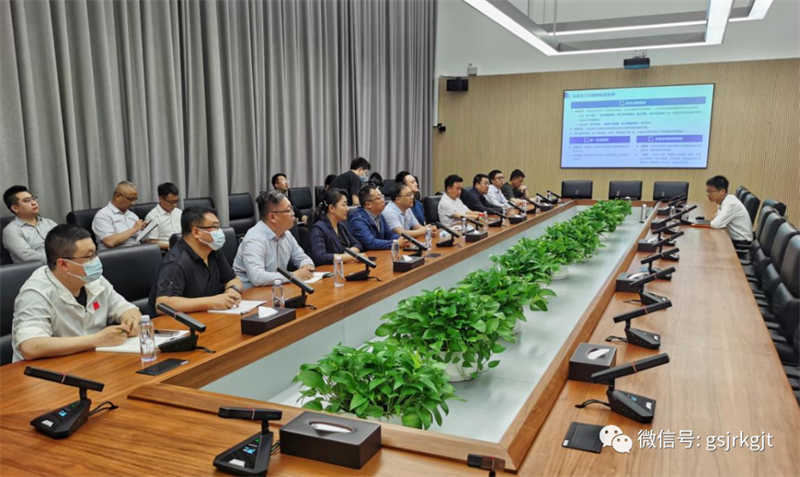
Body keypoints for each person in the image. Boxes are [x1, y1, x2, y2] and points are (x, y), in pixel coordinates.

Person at [11, 224, 141, 362]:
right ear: (63, 264)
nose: (96, 261)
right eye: (89, 256)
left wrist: (131, 321)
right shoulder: (35, 292)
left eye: (95, 253)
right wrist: (96, 340)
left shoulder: (93, 280)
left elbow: (126, 308)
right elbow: (30, 346)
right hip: (46, 369)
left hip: (90, 360)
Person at [148, 206, 243, 316]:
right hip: (174, 323)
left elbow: (233, 279)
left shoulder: (213, 250)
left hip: (208, 316)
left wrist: (232, 290)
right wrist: (211, 302)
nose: (220, 231)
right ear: (196, 232)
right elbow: (162, 304)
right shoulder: (175, 262)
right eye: (215, 227)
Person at [233, 191, 315, 289]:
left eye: (292, 209)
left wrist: (307, 265)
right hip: (251, 293)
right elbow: (257, 277)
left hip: (276, 289)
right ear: (272, 217)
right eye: (288, 210)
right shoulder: (254, 239)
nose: (293, 214)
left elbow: (302, 257)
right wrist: (293, 276)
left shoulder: (286, 234)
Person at [2, 185, 58, 264]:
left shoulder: (49, 222)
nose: (34, 203)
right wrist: (59, 260)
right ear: (15, 208)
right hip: (36, 269)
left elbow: (66, 242)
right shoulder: (11, 231)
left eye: (33, 199)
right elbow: (29, 257)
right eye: (27, 201)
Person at [309, 189, 363, 265]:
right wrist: (349, 257)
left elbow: (358, 245)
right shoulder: (318, 228)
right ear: (332, 208)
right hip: (329, 269)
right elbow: (320, 257)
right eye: (344, 205)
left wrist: (349, 254)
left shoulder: (340, 224)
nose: (347, 209)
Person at [93, 181, 148, 250]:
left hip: (137, 250)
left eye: (135, 200)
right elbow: (110, 242)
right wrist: (133, 229)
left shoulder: (132, 215)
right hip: (116, 253)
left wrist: (145, 231)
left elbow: (140, 239)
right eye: (131, 199)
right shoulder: (103, 215)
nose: (133, 203)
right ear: (118, 196)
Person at [349, 184, 405, 251]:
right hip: (366, 255)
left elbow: (390, 235)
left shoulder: (379, 215)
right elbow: (370, 243)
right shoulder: (357, 220)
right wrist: (395, 243)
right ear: (368, 204)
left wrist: (402, 239)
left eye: (382, 196)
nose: (383, 200)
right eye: (378, 198)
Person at [706, 175, 753, 243]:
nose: (708, 194)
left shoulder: (731, 203)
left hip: (741, 242)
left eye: (710, 191)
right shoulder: (725, 200)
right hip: (734, 239)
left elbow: (715, 224)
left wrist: (716, 220)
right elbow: (717, 217)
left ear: (722, 191)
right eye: (707, 191)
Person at [144, 182, 183, 250]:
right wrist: (173, 246)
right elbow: (151, 242)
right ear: (160, 199)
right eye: (171, 202)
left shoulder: (179, 212)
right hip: (165, 251)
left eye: (176, 201)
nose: (175, 205)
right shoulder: (152, 216)